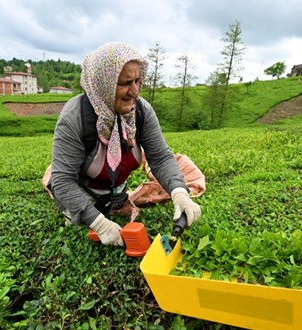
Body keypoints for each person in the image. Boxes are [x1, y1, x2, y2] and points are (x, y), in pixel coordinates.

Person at [47, 42, 201, 246]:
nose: (135, 91)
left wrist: (179, 193)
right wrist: (99, 223)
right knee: (79, 224)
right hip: (83, 193)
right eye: (125, 83)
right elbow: (63, 180)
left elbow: (160, 157)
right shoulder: (74, 117)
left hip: (116, 192)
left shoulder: (141, 111)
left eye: (138, 80)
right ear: (104, 83)